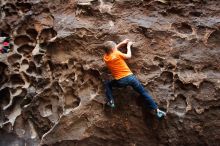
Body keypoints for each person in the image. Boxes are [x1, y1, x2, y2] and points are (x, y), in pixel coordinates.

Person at [103, 39, 166, 118]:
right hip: (131, 78)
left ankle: (111, 101)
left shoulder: (105, 57)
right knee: (143, 93)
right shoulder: (117, 53)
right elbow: (128, 56)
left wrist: (122, 43)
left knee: (108, 84)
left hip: (120, 81)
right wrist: (128, 46)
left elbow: (112, 49)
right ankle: (157, 110)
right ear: (113, 49)